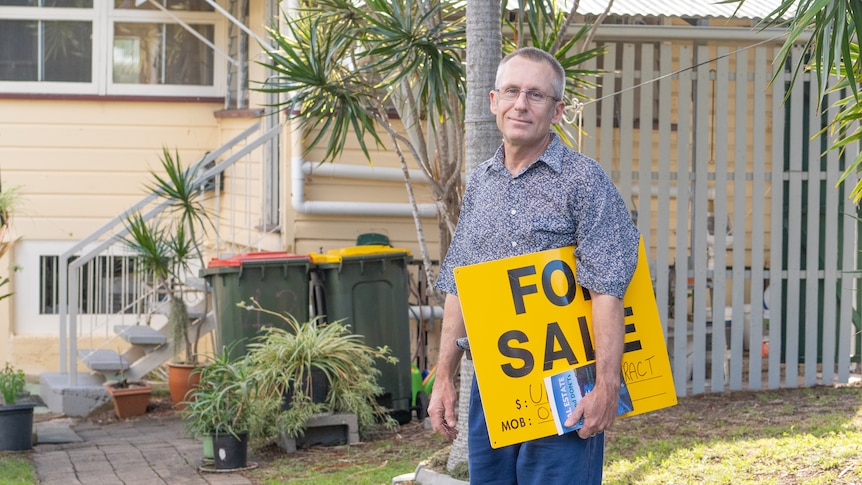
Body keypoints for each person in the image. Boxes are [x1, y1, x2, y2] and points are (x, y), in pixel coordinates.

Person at [428, 47, 640, 484]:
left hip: (564, 386)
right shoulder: (481, 183)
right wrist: (444, 377)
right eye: (511, 91)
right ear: (493, 101)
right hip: (493, 382)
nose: (520, 104)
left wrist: (606, 386)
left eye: (536, 95)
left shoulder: (584, 180)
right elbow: (459, 284)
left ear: (558, 110)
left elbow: (608, 289)